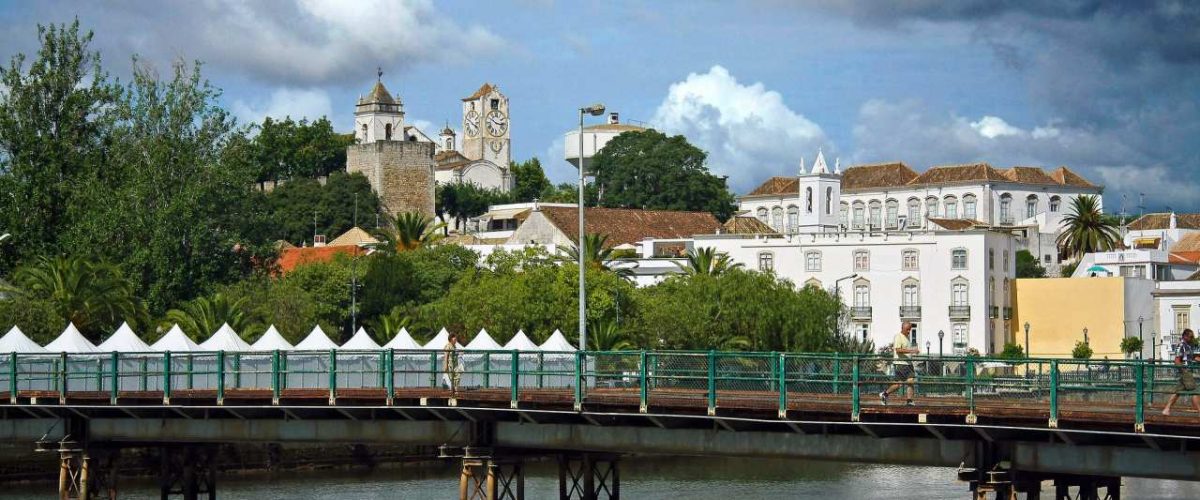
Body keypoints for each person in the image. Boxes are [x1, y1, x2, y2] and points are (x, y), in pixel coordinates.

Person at [1162, 329, 1200, 416]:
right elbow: (1177, 360)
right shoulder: (1181, 346)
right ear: (1185, 336)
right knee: (1195, 390)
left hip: (1187, 371)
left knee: (1178, 391)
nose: (1192, 338)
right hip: (1186, 371)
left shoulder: (1189, 346)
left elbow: (1192, 357)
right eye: (1191, 337)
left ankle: (1166, 409)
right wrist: (1183, 371)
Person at [881, 322, 920, 406]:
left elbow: (905, 349)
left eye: (910, 329)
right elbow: (898, 350)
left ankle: (909, 401)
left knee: (911, 381)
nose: (909, 331)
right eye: (907, 329)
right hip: (901, 364)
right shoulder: (898, 336)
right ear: (902, 328)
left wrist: (912, 351)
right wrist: (912, 351)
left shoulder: (907, 337)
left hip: (908, 363)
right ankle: (885, 394)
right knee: (898, 384)